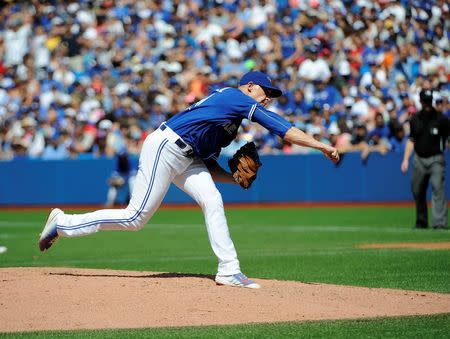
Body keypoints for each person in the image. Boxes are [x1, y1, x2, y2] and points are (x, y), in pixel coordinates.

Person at [38, 71, 339, 289]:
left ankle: (229, 270)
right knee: (135, 217)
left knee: (212, 199)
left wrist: (234, 179)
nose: (267, 98)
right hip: (166, 146)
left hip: (187, 154)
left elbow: (206, 161)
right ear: (249, 86)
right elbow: (281, 128)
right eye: (266, 92)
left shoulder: (228, 125)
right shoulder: (235, 97)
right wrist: (322, 145)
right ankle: (63, 223)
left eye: (270, 95)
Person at [401, 89, 450, 230]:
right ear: (421, 102)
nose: (427, 104)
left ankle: (439, 223)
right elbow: (411, 140)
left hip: (436, 159)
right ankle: (421, 221)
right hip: (419, 159)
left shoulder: (441, 119)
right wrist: (405, 159)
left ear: (431, 101)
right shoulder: (415, 119)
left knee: (438, 189)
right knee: (417, 190)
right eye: (425, 101)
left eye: (429, 101)